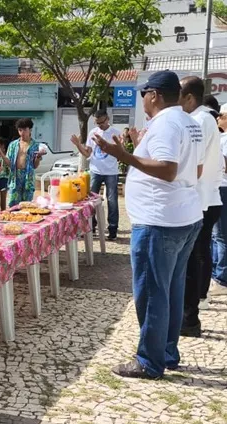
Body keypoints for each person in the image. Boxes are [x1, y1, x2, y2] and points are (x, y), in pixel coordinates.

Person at [93, 70, 203, 379]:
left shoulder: (167, 123)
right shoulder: (185, 121)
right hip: (182, 215)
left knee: (153, 292)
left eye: (144, 94)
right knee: (170, 290)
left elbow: (168, 169)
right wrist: (140, 146)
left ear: (154, 94)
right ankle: (166, 352)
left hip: (160, 221)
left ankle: (150, 361)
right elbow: (185, 165)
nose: (142, 99)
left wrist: (124, 155)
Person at [178, 76, 223, 338]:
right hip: (205, 198)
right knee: (196, 258)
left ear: (190, 98)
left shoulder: (199, 121)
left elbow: (194, 164)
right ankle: (190, 314)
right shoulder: (205, 120)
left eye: (179, 96)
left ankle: (190, 318)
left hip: (202, 200)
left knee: (193, 261)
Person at [71, 110, 122, 240]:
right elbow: (87, 153)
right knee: (90, 201)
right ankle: (90, 227)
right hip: (95, 170)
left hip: (111, 171)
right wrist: (78, 144)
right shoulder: (93, 132)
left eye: (102, 122)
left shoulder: (115, 132)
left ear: (107, 119)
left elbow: (121, 153)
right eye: (97, 123)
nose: (100, 125)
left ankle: (112, 229)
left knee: (112, 200)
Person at [7, 118, 44, 207]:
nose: (22, 133)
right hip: (15, 177)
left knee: (27, 207)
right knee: (13, 206)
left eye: (25, 130)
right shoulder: (13, 145)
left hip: (28, 178)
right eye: (20, 130)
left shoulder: (36, 146)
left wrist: (38, 157)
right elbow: (8, 162)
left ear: (30, 130)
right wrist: (0, 153)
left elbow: (35, 166)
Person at [213, 111, 227, 295]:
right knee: (217, 236)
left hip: (223, 187)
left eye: (222, 115)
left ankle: (221, 279)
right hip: (220, 187)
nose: (218, 118)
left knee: (221, 235)